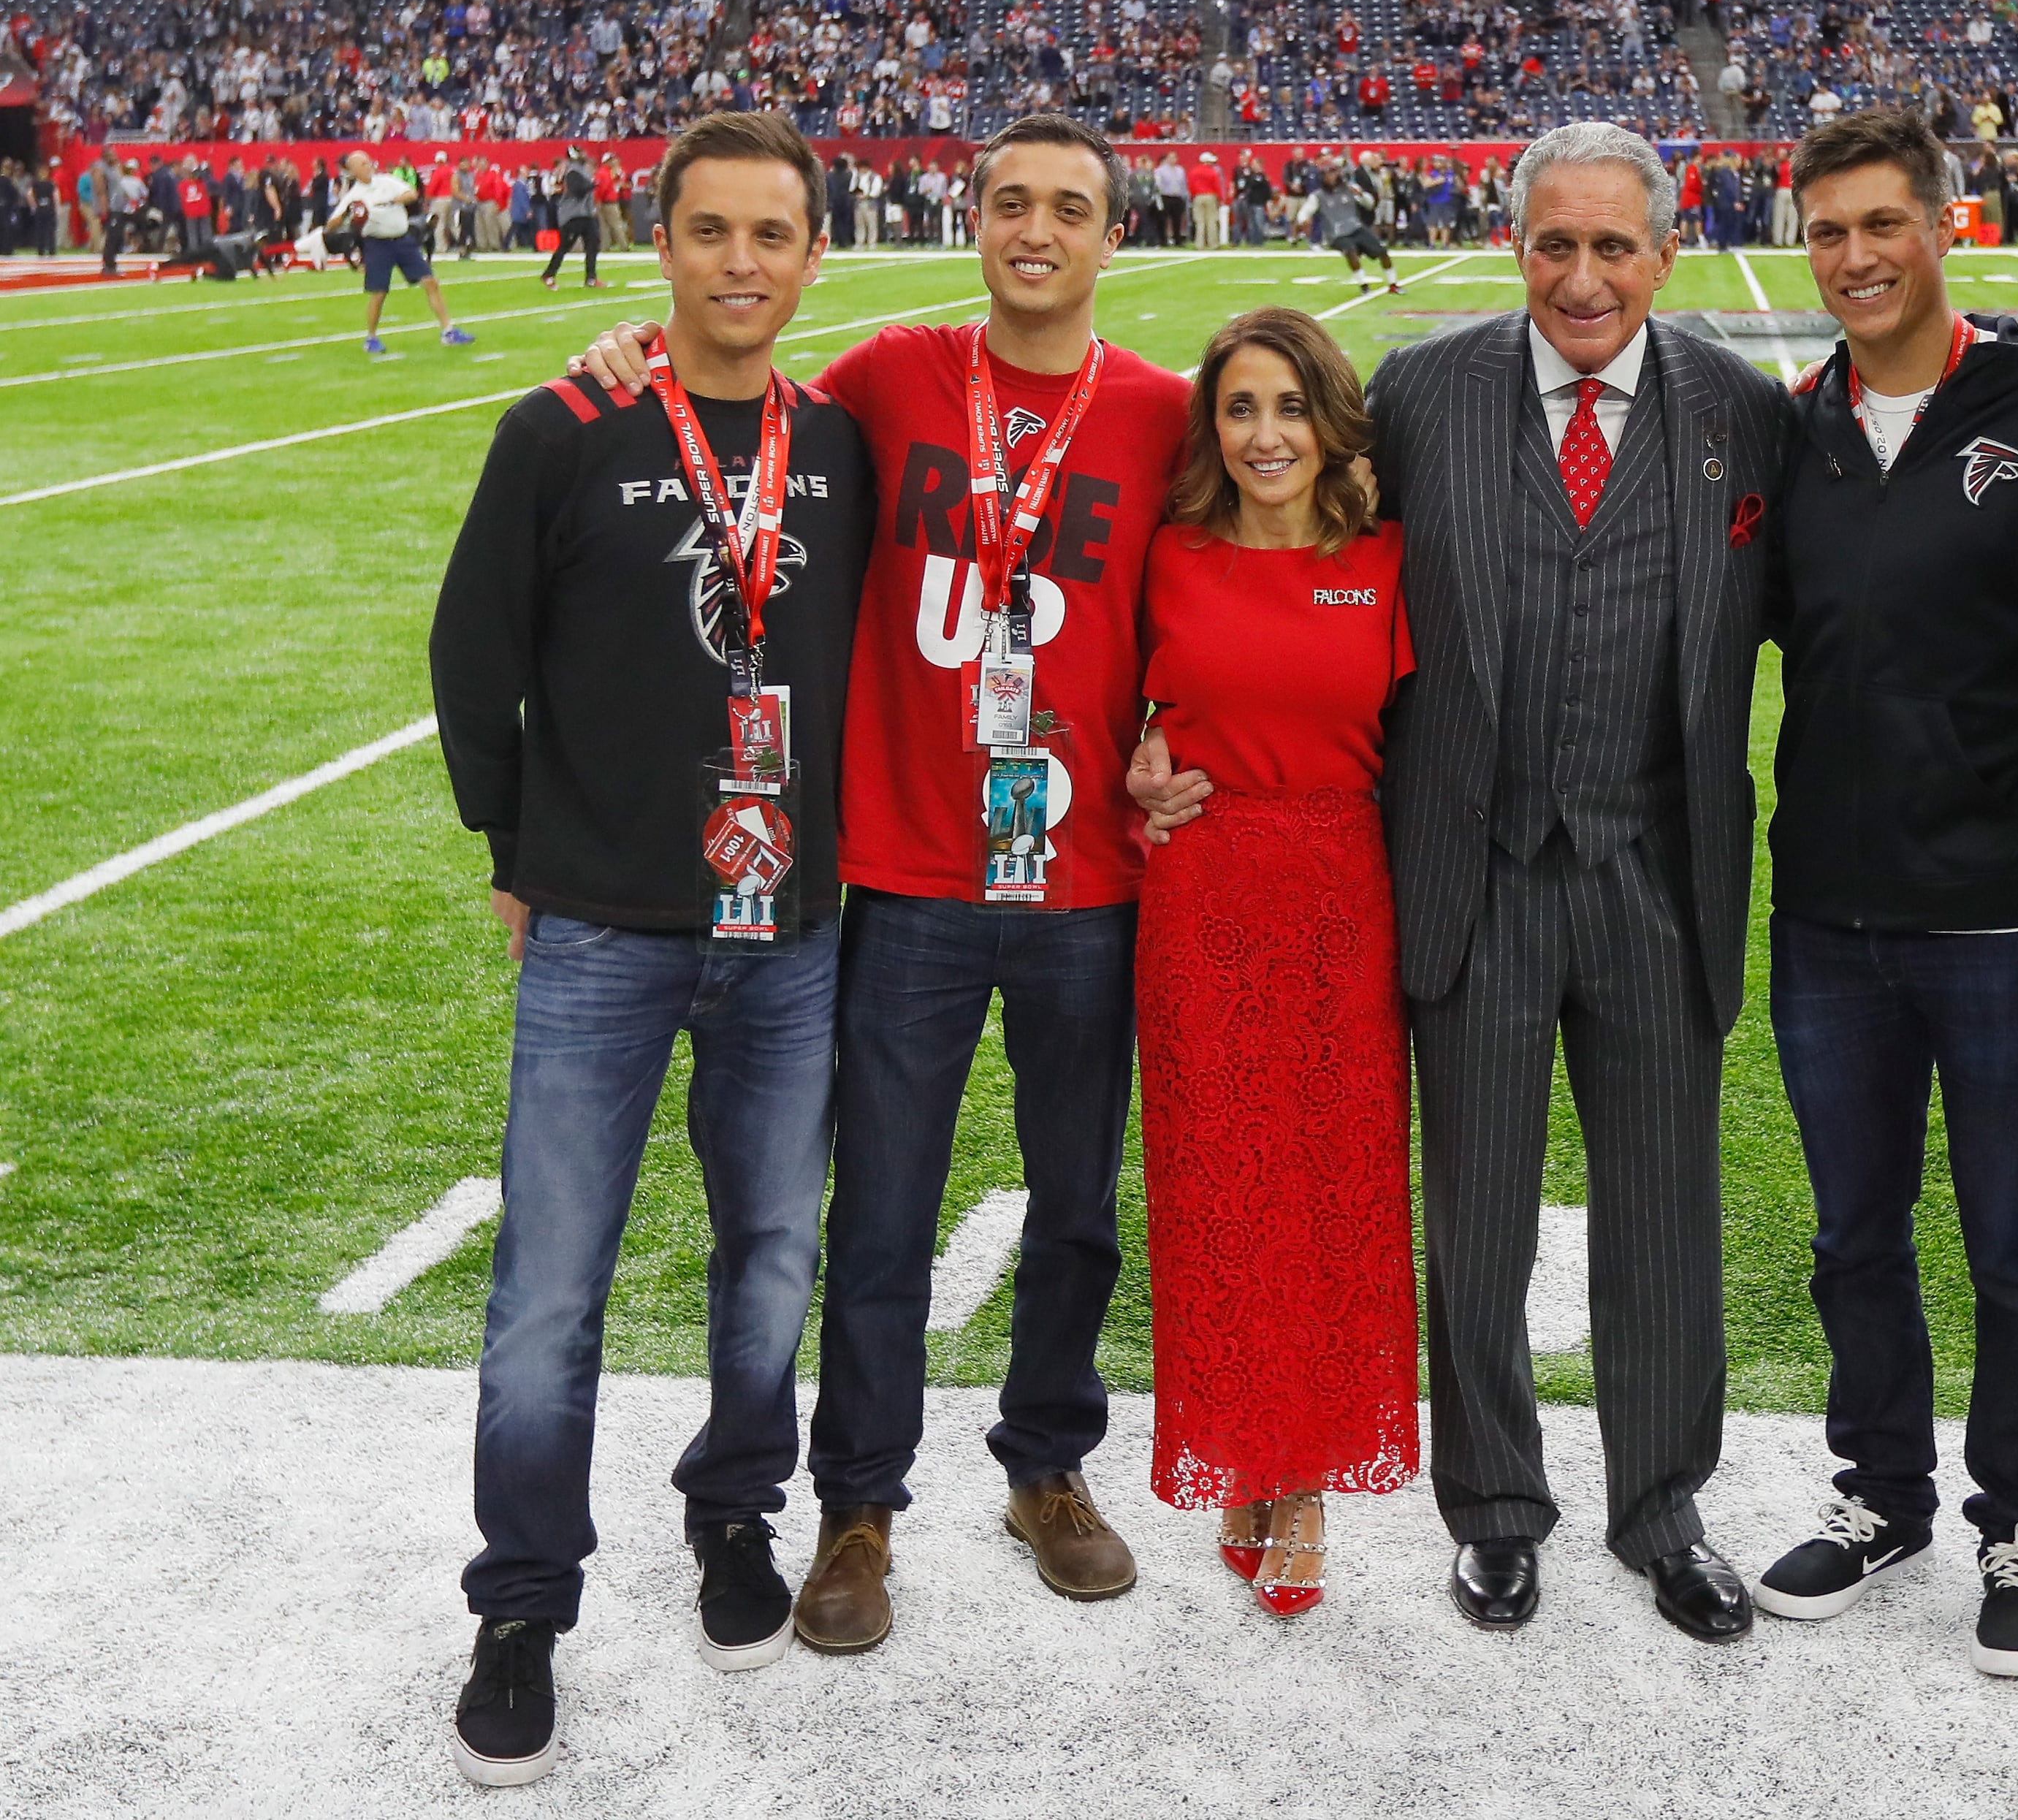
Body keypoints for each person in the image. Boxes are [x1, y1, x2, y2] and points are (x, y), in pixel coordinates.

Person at [1157, 121, 1799, 1643]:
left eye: (1614, 245)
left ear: (1666, 244)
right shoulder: (1426, 394)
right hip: (1474, 869)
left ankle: (1662, 1507)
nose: (1584, 277)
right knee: (1478, 1219)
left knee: (1663, 1214)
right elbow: (1276, 555)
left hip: (1658, 866)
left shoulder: (1741, 410)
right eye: (1555, 244)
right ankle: (1497, 1509)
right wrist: (1150, 723)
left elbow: (1838, 598)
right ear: (1518, 246)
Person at [569, 115, 1196, 1651]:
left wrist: (1179, 724)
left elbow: (1223, 591)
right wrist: (627, 355)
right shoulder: (889, 377)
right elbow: (733, 420)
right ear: (971, 219)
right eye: (1009, 203)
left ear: (1116, 237)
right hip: (905, 874)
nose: (1036, 230)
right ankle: (859, 1499)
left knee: (1073, 1203)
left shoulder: (1165, 413)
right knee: (886, 1211)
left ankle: (1046, 1463)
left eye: (1070, 208)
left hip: (1088, 881)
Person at [427, 110, 872, 1788]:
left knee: (768, 1248)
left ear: (811, 254)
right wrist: (511, 844)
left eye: (771, 235)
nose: (740, 264)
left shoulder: (837, 444)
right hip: (604, 921)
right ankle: (524, 1602)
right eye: (709, 232)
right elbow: (475, 650)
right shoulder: (564, 425)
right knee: (549, 1282)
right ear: (659, 242)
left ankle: (734, 1514)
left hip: (790, 926)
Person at [1743, 108, 2018, 1681]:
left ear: (1947, 227)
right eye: (1827, 231)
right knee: (1851, 1231)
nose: (1854, 258)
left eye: (1882, 224)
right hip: (1828, 900)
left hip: (2011, 901)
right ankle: (1883, 1489)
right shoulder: (1794, 430)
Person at [1130, 307, 1421, 1617]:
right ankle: (1244, 1455)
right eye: (1242, 408)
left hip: (1341, 902)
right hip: (1201, 900)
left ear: (1331, 422)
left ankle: (1302, 1482)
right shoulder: (1169, 557)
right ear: (1213, 428)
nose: (1266, 435)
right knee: (1218, 1199)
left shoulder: (1388, 561)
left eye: (1291, 408)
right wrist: (1136, 776)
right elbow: (1108, 712)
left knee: (1329, 1194)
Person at [324, 151, 473, 356]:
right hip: (377, 244)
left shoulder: (386, 181)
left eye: (369, 163)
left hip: (402, 239)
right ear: (354, 171)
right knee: (379, 292)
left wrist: (392, 201)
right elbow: (331, 224)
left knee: (430, 281)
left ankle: (448, 331)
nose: (370, 167)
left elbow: (412, 193)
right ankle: (371, 337)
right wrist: (350, 214)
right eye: (364, 165)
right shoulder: (354, 195)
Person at [1311, 163, 1400, 292]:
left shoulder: (1350, 189)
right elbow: (1305, 213)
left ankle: (1393, 284)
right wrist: (1303, 221)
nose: (1332, 177)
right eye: (1329, 174)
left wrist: (1361, 195)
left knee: (1382, 251)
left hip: (1356, 228)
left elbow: (1370, 204)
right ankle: (1363, 285)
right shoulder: (1318, 195)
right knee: (1350, 251)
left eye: (1334, 173)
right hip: (1337, 234)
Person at [542, 148, 603, 289]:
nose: (584, 155)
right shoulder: (572, 172)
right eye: (581, 153)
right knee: (564, 246)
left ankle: (591, 278)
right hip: (572, 215)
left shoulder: (580, 170)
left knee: (593, 244)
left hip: (586, 214)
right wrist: (592, 184)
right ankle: (549, 274)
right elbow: (578, 191)